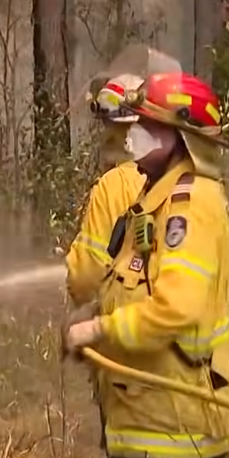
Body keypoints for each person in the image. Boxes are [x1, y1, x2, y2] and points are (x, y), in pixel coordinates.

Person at [61, 72, 229, 458]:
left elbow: (178, 307)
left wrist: (100, 329)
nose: (133, 140)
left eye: (148, 128)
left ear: (181, 138)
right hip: (153, 425)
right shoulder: (156, 200)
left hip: (171, 431)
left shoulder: (189, 205)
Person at [64, 73, 147, 306]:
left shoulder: (113, 187)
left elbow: (86, 279)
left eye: (108, 126)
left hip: (124, 328)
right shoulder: (192, 182)